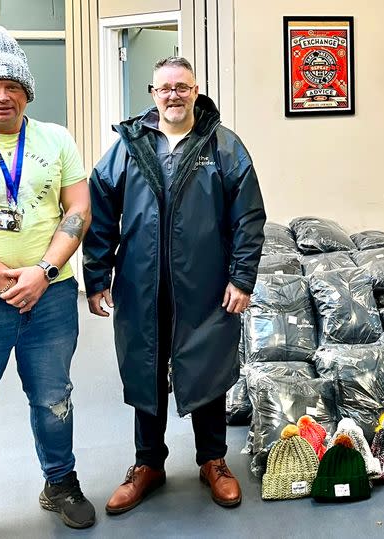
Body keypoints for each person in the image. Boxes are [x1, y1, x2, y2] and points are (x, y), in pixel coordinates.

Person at [83, 56, 265, 515]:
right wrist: (96, 274)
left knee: (206, 367)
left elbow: (248, 217)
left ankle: (213, 461)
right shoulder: (129, 145)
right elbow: (100, 207)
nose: (174, 95)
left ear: (196, 90)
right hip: (141, 286)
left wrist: (242, 278)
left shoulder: (223, 145)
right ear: (152, 94)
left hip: (204, 286)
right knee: (146, 367)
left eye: (182, 87)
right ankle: (148, 463)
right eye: (165, 88)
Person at [0, 26, 95, 537]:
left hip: (49, 298)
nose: (2, 95)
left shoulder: (57, 139)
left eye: (12, 86)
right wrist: (3, 276)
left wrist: (43, 272)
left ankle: (60, 483)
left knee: (54, 398)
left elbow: (78, 208)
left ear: (27, 92)